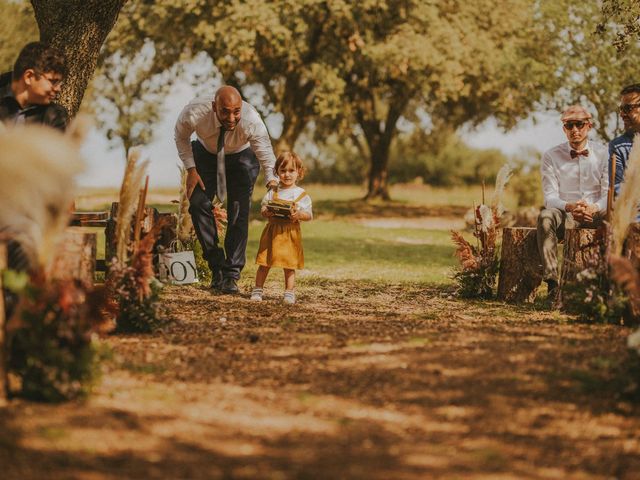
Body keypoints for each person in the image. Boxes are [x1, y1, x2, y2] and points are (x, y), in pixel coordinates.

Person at [175, 85, 278, 294]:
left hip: (242, 157)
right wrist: (191, 169)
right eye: (225, 111)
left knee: (238, 213)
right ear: (214, 107)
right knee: (197, 205)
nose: (231, 118)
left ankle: (231, 275)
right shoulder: (194, 112)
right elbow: (181, 137)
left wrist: (273, 185)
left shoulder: (251, 120)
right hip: (205, 154)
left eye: (236, 111)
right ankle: (217, 267)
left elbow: (267, 156)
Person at [537, 105, 609, 298]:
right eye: (569, 125)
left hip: (597, 215)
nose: (575, 130)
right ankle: (552, 283)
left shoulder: (604, 153)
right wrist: (569, 206)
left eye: (579, 124)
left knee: (618, 216)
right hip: (567, 215)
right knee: (546, 216)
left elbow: (607, 195)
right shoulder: (551, 156)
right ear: (564, 128)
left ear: (589, 126)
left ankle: (608, 286)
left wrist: (593, 208)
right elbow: (550, 197)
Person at [251, 151, 313, 305]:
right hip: (272, 231)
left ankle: (289, 292)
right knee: (264, 262)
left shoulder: (301, 194)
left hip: (290, 233)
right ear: (276, 172)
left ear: (299, 172)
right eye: (283, 171)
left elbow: (309, 215)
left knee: (289, 264)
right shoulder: (273, 192)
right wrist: (266, 212)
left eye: (291, 171)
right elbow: (264, 208)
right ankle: (258, 289)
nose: (287, 175)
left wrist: (298, 215)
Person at [0, 41, 68, 130]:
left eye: (59, 83)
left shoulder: (56, 116)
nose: (58, 89)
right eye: (53, 81)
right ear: (29, 76)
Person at [610, 83, 640, 197]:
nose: (622, 114)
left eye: (628, 108)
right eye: (621, 109)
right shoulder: (618, 147)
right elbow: (618, 191)